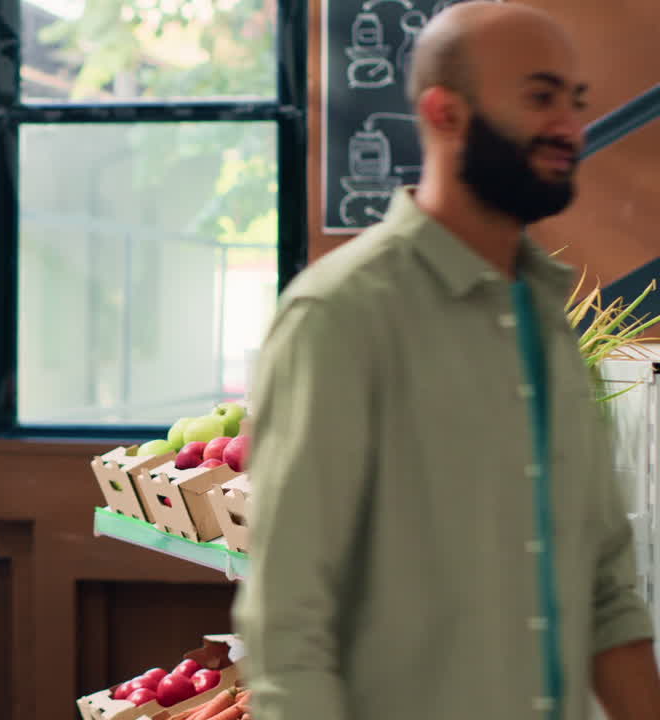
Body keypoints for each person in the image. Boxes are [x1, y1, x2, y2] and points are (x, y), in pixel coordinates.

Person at [233, 3, 660, 720]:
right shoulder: (340, 319)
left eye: (576, 102)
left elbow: (606, 593)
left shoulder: (549, 321)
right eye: (540, 97)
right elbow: (289, 634)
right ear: (445, 113)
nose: (571, 127)